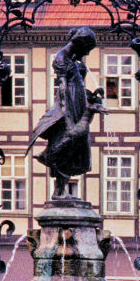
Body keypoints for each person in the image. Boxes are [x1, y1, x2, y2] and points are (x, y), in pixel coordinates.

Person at [27, 27, 104, 197]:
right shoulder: (61, 58)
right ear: (80, 44)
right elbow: (62, 88)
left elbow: (78, 83)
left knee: (76, 145)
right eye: (87, 49)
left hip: (77, 100)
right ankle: (59, 189)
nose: (88, 54)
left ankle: (62, 190)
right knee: (66, 141)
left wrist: (92, 97)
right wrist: (66, 115)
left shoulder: (73, 59)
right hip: (68, 103)